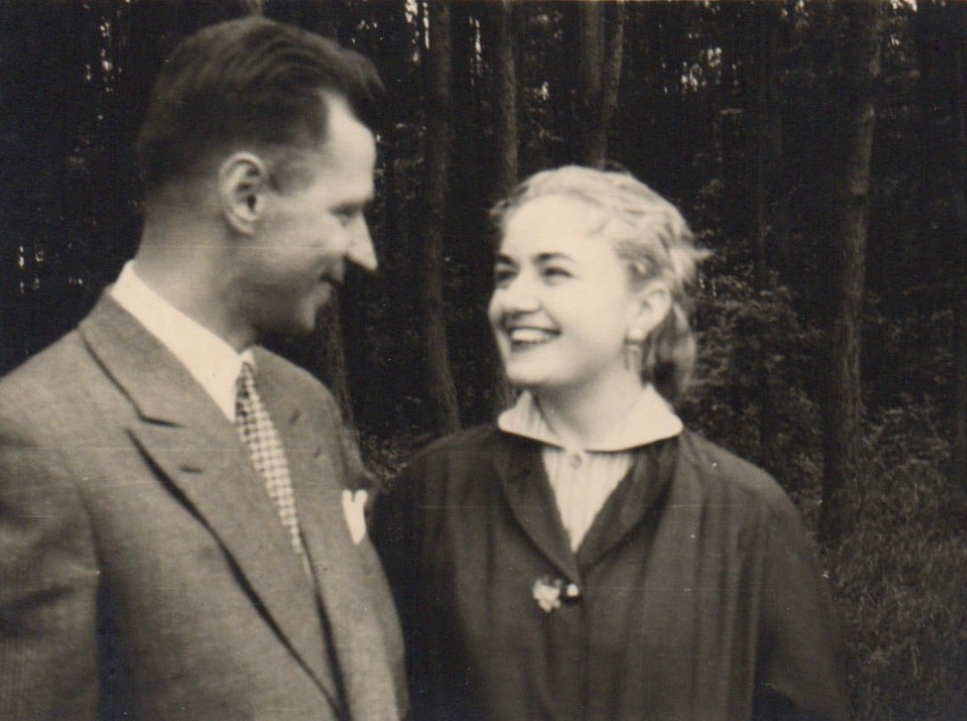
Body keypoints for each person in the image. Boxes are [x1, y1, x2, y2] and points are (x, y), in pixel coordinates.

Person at [0, 17, 406, 720]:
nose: (365, 252)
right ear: (247, 196)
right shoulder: (36, 439)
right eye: (344, 213)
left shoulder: (304, 404)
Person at [373, 165, 849, 720]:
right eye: (506, 275)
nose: (514, 300)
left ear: (643, 309)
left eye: (553, 273)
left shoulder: (747, 513)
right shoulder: (431, 492)